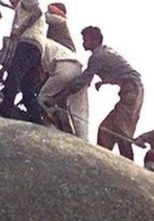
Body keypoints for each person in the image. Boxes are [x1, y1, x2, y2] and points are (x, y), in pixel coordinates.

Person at [52, 27, 143, 160]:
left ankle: (128, 165)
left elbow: (84, 79)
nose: (83, 42)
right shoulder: (103, 53)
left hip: (132, 90)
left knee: (120, 129)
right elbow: (118, 71)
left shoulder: (97, 56)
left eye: (86, 39)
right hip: (132, 89)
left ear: (95, 40)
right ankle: (102, 160)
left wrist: (61, 95)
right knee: (107, 129)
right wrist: (105, 82)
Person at [0, 0, 47, 125]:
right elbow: (20, 9)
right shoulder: (21, 7)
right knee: (27, 87)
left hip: (27, 43)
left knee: (13, 77)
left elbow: (37, 11)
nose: (11, 0)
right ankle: (37, 119)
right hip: (37, 48)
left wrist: (20, 29)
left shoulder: (26, 0)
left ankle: (5, 112)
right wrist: (4, 4)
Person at [38, 39, 89, 140]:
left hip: (63, 66)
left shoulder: (32, 44)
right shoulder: (46, 41)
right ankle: (82, 138)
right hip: (77, 67)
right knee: (77, 110)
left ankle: (50, 124)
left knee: (43, 97)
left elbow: (39, 74)